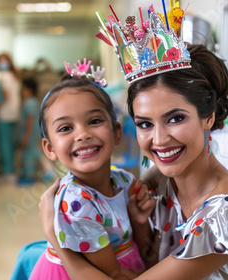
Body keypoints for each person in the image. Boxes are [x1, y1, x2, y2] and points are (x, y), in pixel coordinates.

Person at [37, 7, 228, 279]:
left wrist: (58, 241)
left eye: (175, 118)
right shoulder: (167, 182)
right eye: (145, 124)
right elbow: (148, 262)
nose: (159, 140)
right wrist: (138, 221)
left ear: (209, 116)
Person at [29, 59, 146, 280]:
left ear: (116, 132)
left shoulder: (124, 181)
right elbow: (114, 274)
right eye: (65, 128)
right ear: (50, 148)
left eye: (94, 121)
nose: (82, 134)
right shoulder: (75, 202)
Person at [0, 53, 21, 182]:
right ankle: (11, 170)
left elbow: (5, 95)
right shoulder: (14, 76)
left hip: (5, 114)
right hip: (14, 114)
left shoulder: (4, 76)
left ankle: (7, 172)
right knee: (10, 144)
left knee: (5, 144)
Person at [17, 78, 41, 185]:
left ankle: (29, 176)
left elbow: (30, 121)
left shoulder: (29, 103)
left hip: (29, 135)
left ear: (29, 90)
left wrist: (26, 137)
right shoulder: (32, 102)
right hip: (31, 134)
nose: (22, 91)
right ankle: (29, 174)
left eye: (24, 89)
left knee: (28, 155)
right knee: (30, 154)